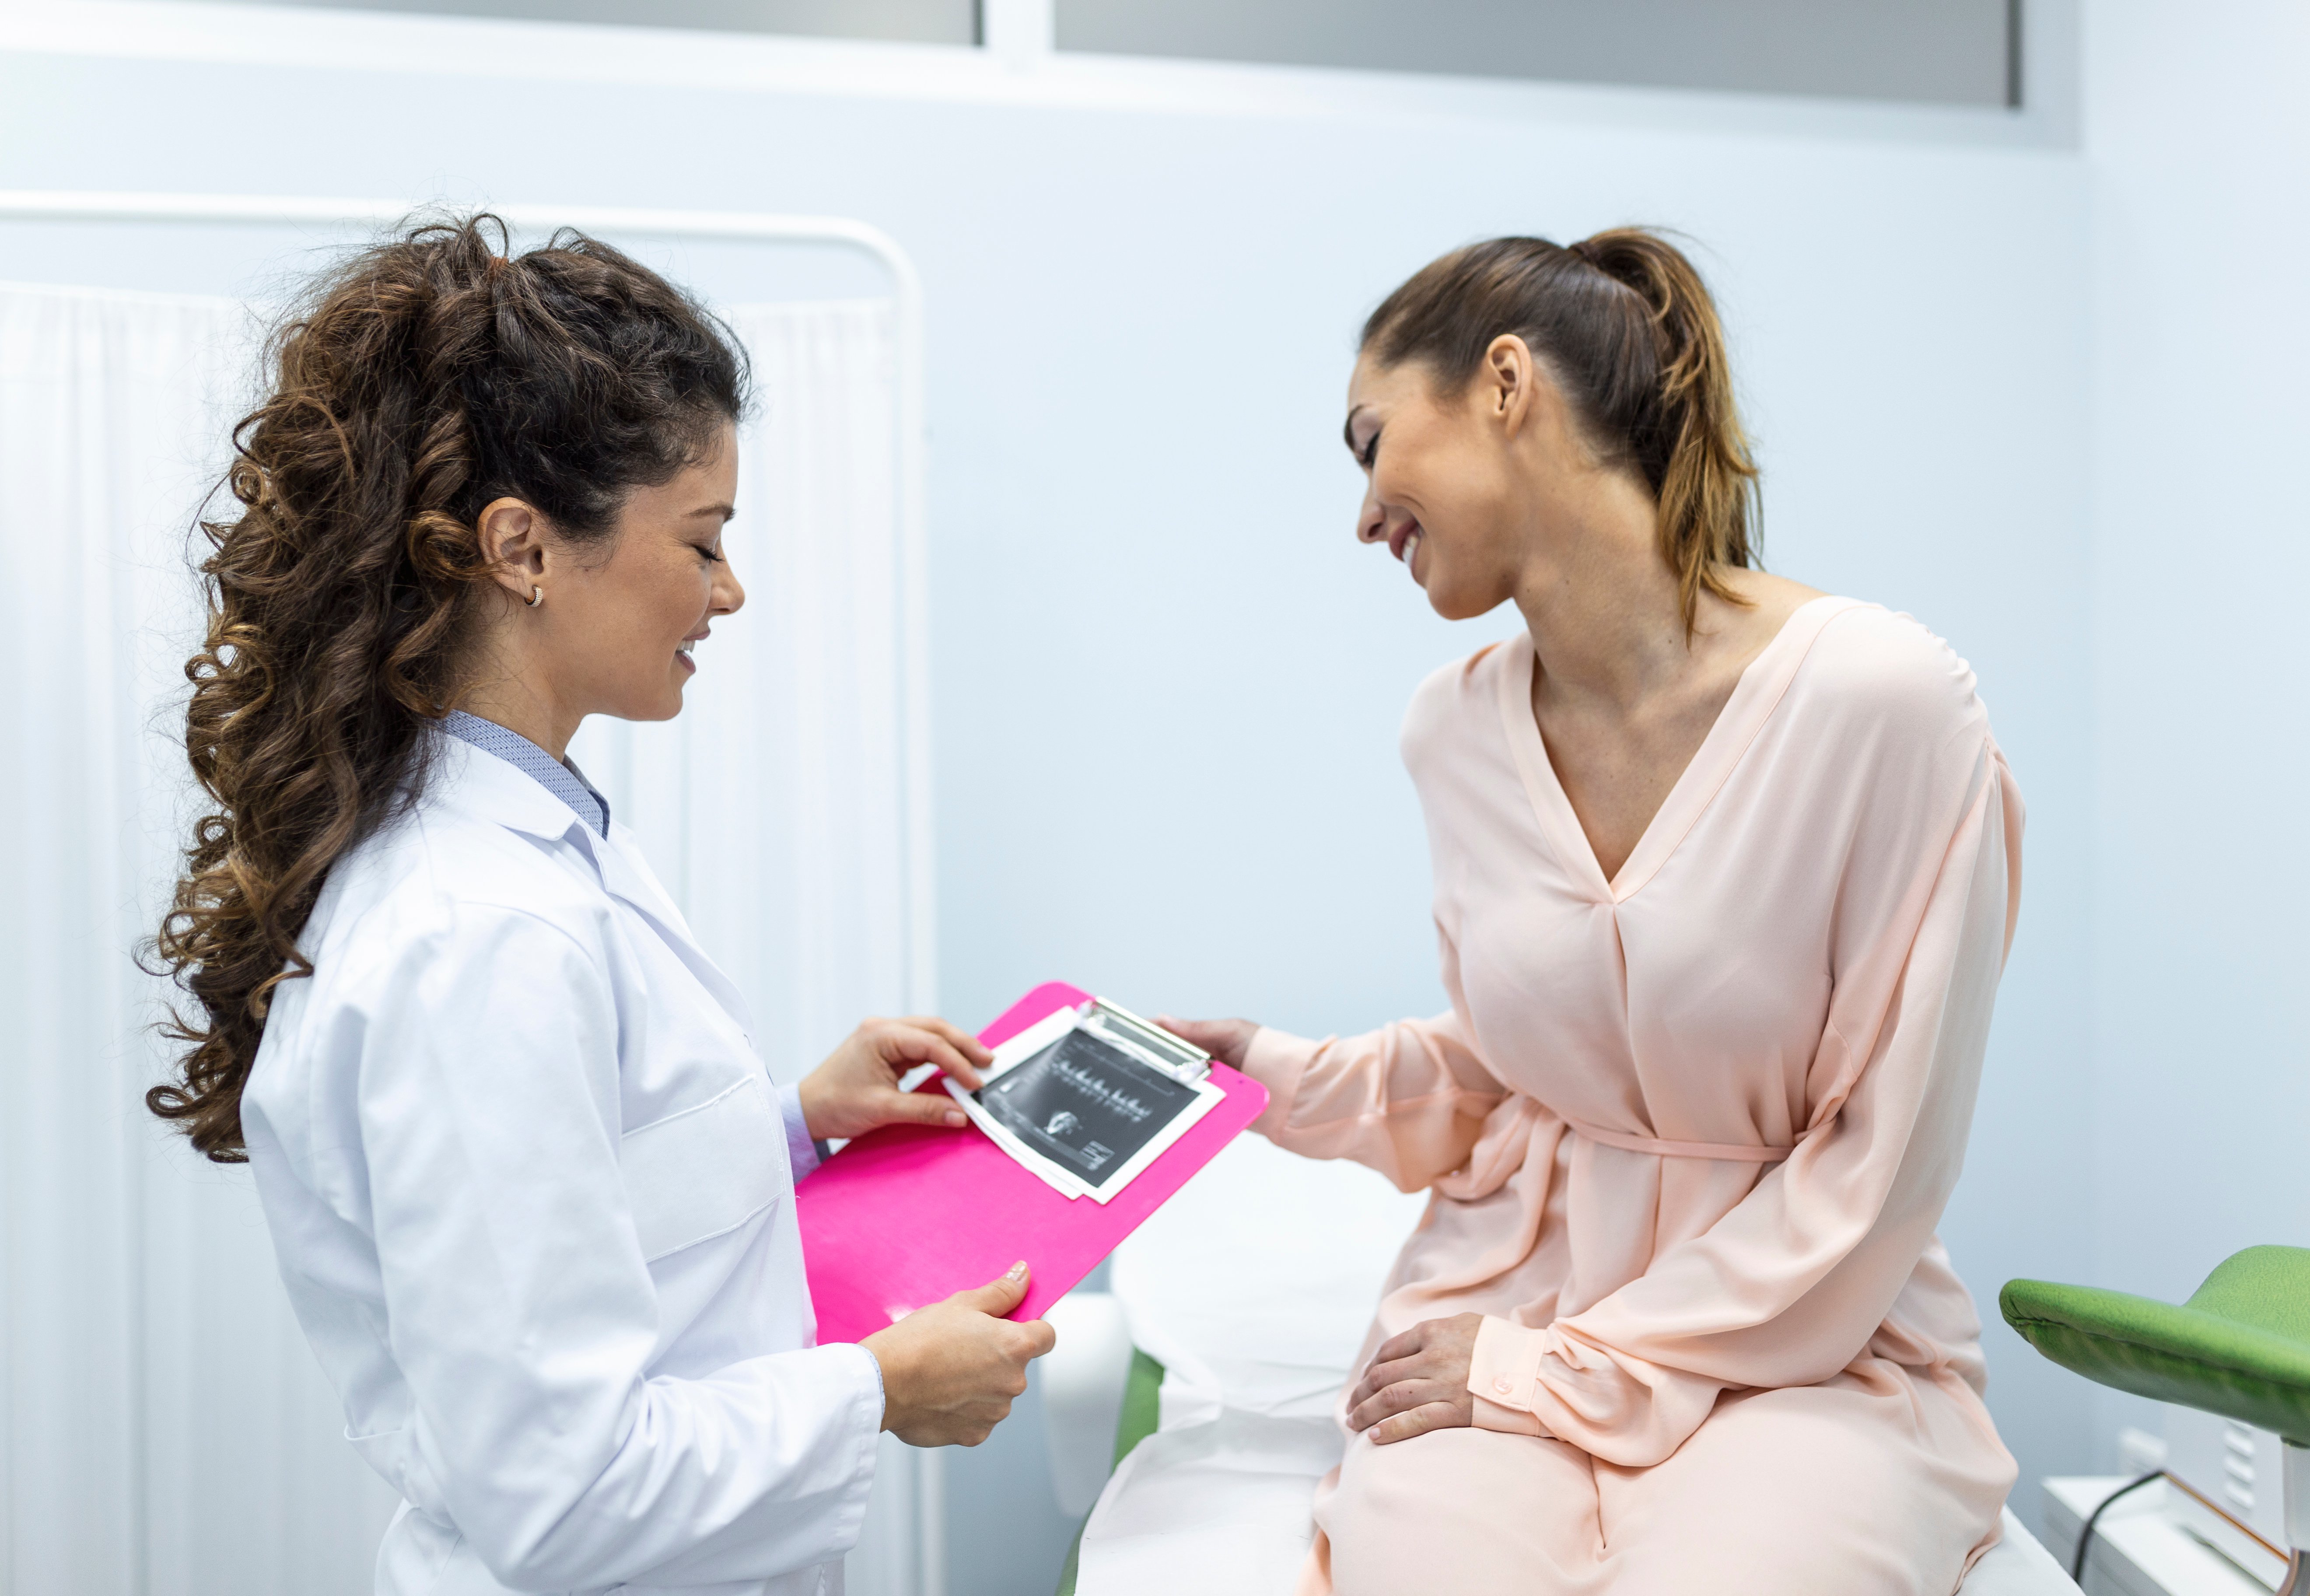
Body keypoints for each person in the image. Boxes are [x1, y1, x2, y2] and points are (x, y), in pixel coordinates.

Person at [144, 216, 1052, 1596]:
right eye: (703, 541)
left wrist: (794, 1125)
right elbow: (562, 1496)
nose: (728, 591)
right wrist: (876, 1390)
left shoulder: (525, 844)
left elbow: (570, 1199)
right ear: (521, 549)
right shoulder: (478, 932)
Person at [1162, 230, 2023, 1595]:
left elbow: (1881, 1160)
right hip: (1513, 1298)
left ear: (1505, 385)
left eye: (1370, 440)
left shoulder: (1882, 700)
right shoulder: (1452, 731)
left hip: (1798, 1345)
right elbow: (1533, 1074)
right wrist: (1271, 1075)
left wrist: (1562, 1369)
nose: (1365, 510)